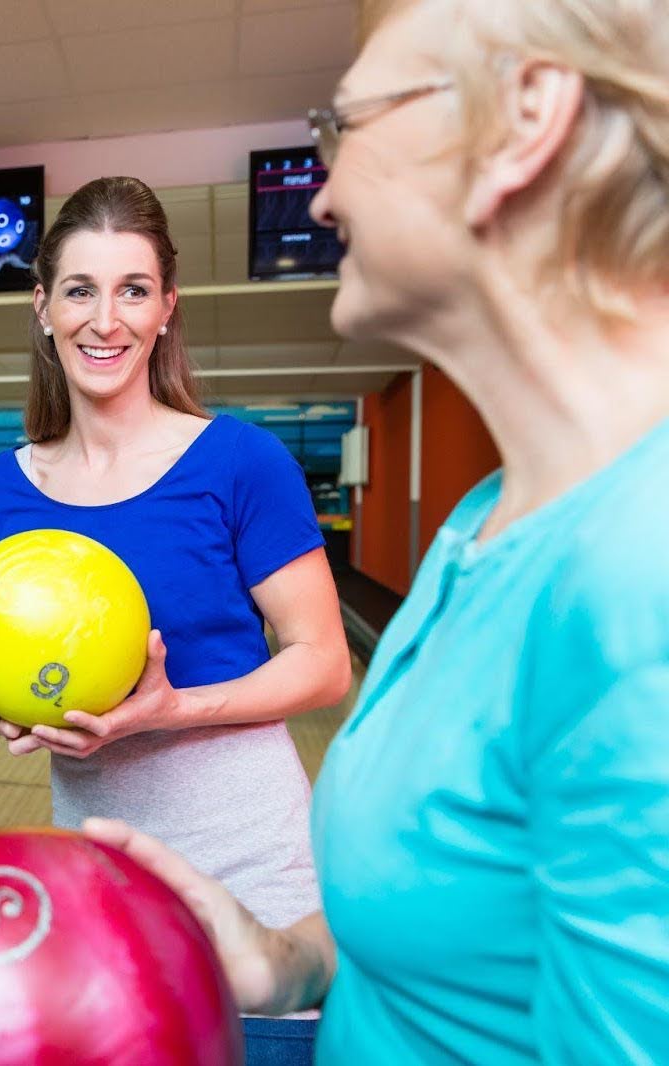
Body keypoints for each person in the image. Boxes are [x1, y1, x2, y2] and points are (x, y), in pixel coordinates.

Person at [87, 0, 669, 1060]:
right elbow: (467, 936)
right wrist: (282, 958)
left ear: (523, 120)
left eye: (346, 124)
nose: (323, 188)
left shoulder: (643, 577)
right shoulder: (483, 525)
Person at [0, 175, 352, 930]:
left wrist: (172, 710)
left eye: (133, 291)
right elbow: (32, 656)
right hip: (94, 850)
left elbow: (326, 661)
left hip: (249, 853)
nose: (105, 321)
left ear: (167, 308)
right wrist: (22, 709)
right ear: (42, 308)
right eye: (80, 291)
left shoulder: (242, 460)